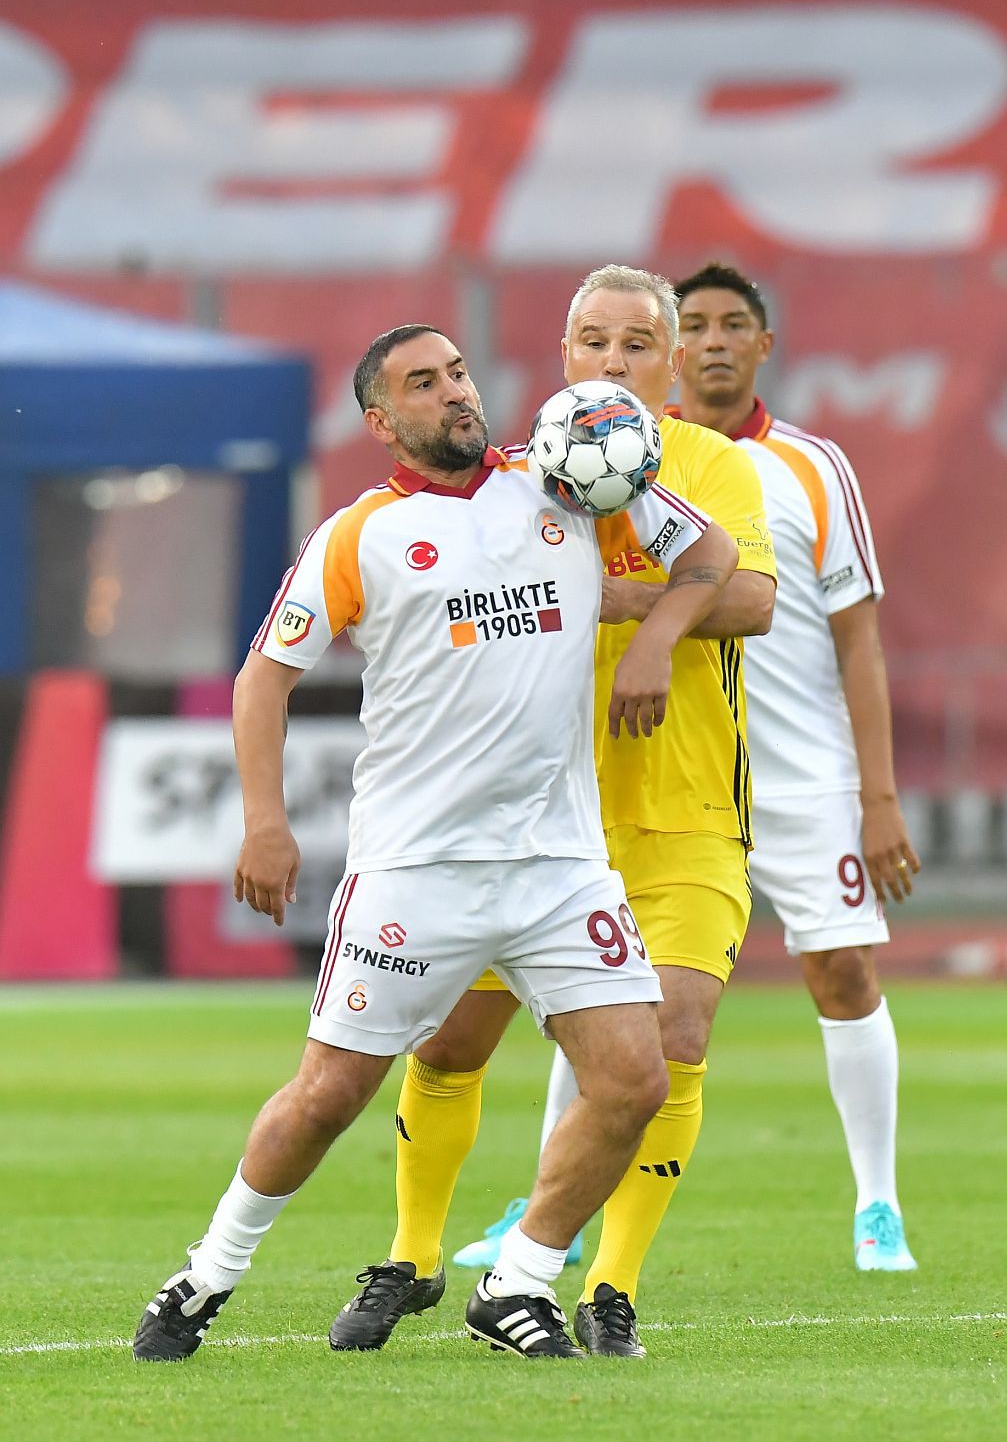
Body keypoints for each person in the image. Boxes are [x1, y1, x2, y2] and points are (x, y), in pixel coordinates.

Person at [132, 323, 737, 1362]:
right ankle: (206, 1272)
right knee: (327, 1096)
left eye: (458, 372)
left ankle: (519, 1280)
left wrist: (653, 641)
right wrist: (266, 821)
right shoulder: (359, 536)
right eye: (425, 382)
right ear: (382, 421)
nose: (456, 392)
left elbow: (712, 558)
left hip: (555, 865)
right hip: (416, 870)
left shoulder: (561, 481)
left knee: (634, 1079)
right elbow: (263, 678)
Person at [329, 266, 775, 1360]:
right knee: (446, 1039)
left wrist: (641, 617)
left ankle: (608, 1283)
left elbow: (755, 597)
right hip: (529, 818)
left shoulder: (711, 463)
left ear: (669, 361)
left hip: (679, 811)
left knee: (670, 1041)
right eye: (592, 342)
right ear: (564, 355)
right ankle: (414, 1252)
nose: (613, 362)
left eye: (635, 343)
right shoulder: (524, 476)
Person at [674, 262, 921, 1269]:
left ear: (765, 344)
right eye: (694, 324)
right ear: (669, 343)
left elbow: (859, 639)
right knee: (631, 995)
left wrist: (880, 796)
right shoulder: (626, 461)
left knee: (844, 969)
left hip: (803, 774)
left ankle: (878, 1203)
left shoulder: (815, 466)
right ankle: (546, 1211)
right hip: (678, 773)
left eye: (736, 323)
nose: (716, 339)